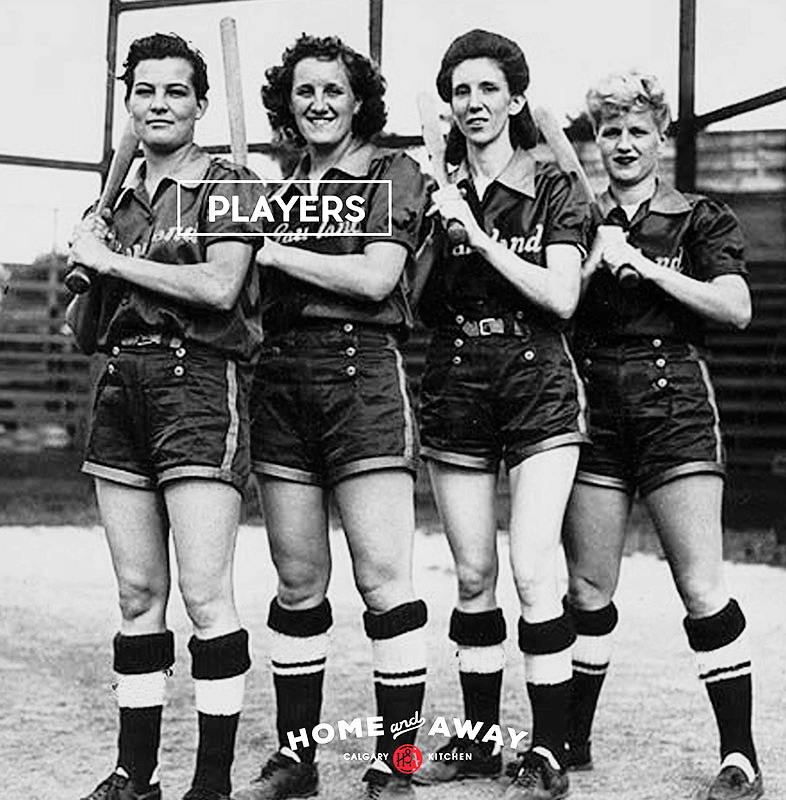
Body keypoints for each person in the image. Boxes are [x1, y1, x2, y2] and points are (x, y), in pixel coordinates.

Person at [68, 32, 263, 800]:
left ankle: (210, 784)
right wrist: (88, 252)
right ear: (130, 103)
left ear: (200, 104)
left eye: (175, 91)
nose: (159, 104)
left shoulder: (230, 182)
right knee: (137, 595)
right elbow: (84, 334)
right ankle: (135, 773)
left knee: (205, 596)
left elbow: (220, 288)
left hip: (197, 383)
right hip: (123, 385)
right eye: (145, 91)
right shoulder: (114, 203)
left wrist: (115, 261)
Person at [232, 35, 428, 800]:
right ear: (288, 104)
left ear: (358, 101)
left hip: (361, 377)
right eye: (304, 91)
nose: (318, 103)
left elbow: (378, 277)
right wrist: (242, 241)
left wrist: (276, 253)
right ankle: (296, 760)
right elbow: (245, 294)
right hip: (281, 381)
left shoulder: (390, 171)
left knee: (383, 579)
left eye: (333, 90)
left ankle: (397, 762)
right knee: (298, 580)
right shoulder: (273, 192)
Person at [562, 72, 762, 800]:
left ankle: (740, 755)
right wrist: (593, 254)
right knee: (587, 587)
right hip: (593, 401)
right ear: (596, 140)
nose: (623, 144)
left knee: (699, 584)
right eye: (610, 131)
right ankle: (570, 741)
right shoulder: (576, 218)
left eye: (637, 131)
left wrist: (642, 265)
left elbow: (735, 308)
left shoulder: (699, 217)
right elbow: (552, 305)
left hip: (673, 397)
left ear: (661, 137)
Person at [411, 29, 589, 800]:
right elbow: (413, 305)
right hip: (456, 378)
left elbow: (562, 295)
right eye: (461, 91)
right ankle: (481, 745)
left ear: (516, 101)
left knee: (532, 569)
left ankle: (547, 750)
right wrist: (432, 226)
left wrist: (479, 239)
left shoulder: (553, 186)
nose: (474, 103)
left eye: (489, 89)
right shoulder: (439, 189)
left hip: (536, 376)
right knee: (474, 573)